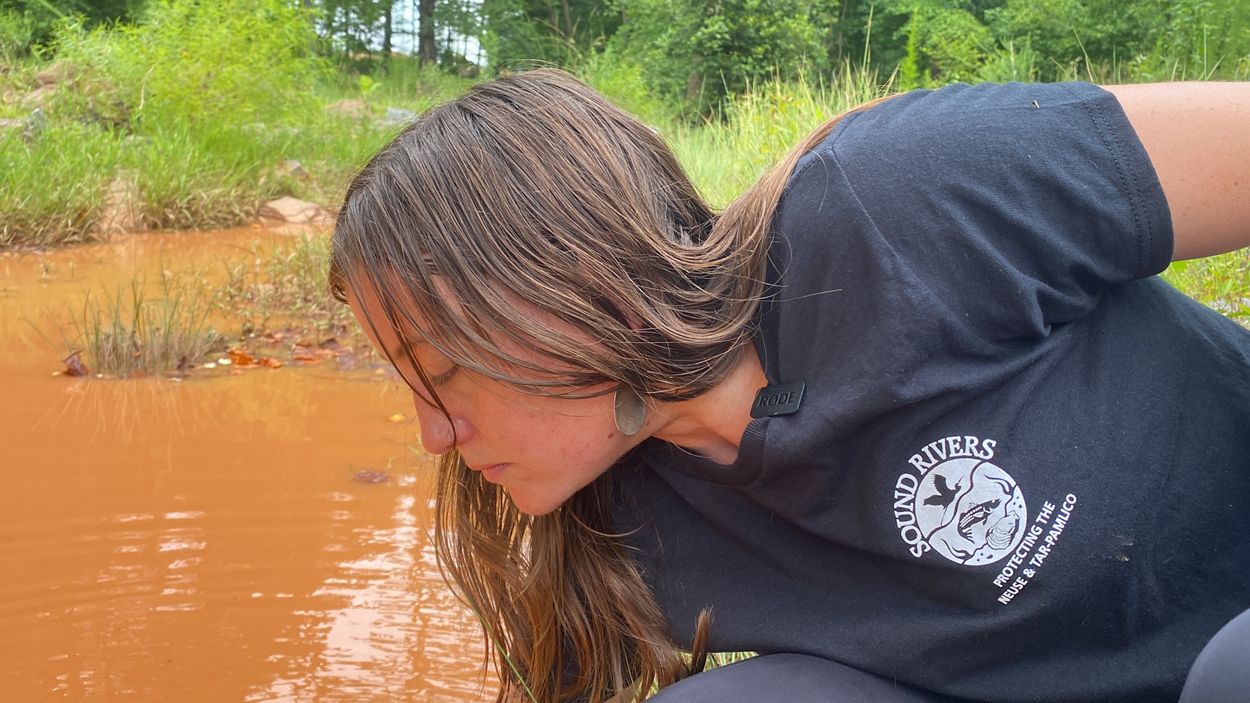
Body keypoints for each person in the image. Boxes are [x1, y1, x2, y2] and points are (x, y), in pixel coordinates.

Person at [327, 69, 1250, 703]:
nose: (433, 435)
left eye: (443, 371)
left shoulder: (898, 198)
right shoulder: (610, 521)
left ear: (578, 293)